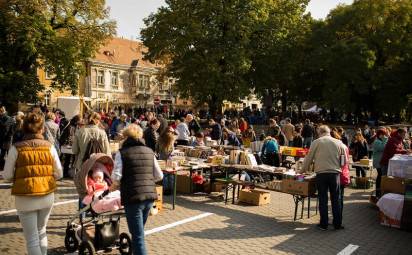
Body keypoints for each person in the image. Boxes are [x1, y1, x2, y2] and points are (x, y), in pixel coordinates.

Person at [3, 112, 63, 255]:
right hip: (46, 195)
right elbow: (59, 173)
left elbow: (7, 176)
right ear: (42, 129)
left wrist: (19, 177)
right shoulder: (50, 146)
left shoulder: (16, 148)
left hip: (25, 196)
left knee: (31, 239)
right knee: (42, 231)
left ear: (24, 128)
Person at [110, 124, 163, 255]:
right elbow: (159, 176)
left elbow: (116, 176)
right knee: (138, 234)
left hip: (133, 197)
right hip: (149, 197)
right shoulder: (149, 151)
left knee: (138, 237)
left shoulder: (122, 153)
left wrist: (112, 186)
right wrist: (147, 181)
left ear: (126, 137)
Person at [301, 125, 345, 231]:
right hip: (335, 173)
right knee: (336, 199)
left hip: (321, 174)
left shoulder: (316, 142)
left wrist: (302, 171)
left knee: (323, 199)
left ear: (319, 132)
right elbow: (343, 161)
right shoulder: (339, 142)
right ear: (329, 132)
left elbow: (309, 158)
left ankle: (324, 224)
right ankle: (337, 224)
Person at [156, 127, 178, 195]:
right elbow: (172, 150)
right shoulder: (171, 138)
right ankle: (171, 190)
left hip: (162, 158)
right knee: (171, 175)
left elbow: (157, 148)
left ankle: (165, 190)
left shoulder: (160, 138)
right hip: (169, 159)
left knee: (165, 175)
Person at [372, 129, 388, 197]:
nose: (384, 136)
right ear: (379, 134)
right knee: (380, 176)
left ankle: (378, 191)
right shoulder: (376, 141)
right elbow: (382, 148)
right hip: (378, 161)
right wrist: (385, 140)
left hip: (379, 161)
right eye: (383, 134)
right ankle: (378, 192)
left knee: (380, 176)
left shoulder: (380, 141)